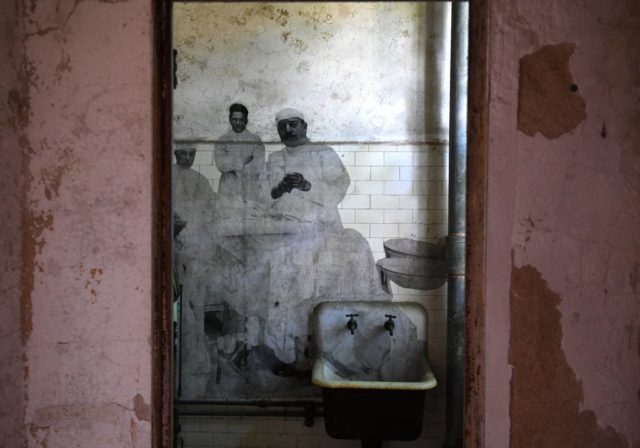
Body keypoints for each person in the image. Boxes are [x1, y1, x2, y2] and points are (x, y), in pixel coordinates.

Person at [213, 103, 265, 210]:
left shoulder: (255, 140)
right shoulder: (222, 140)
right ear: (229, 119)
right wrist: (243, 162)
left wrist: (231, 166)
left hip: (250, 188)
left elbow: (258, 166)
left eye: (241, 120)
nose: (237, 123)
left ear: (246, 120)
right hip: (228, 188)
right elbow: (220, 165)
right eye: (234, 119)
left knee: (250, 221)